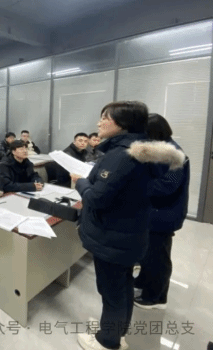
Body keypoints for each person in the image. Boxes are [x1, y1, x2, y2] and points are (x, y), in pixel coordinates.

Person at [71, 101, 185, 351]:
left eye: (105, 117)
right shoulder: (144, 152)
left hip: (111, 235)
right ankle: (116, 331)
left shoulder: (121, 156)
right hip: (128, 232)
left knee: (112, 291)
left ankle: (106, 341)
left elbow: (97, 199)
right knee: (123, 287)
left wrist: (81, 183)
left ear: (123, 123)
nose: (99, 122)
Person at [134, 114, 190, 310]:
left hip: (164, 214)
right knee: (149, 253)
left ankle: (156, 298)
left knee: (158, 257)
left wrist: (137, 183)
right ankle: (144, 281)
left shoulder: (174, 154)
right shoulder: (161, 149)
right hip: (154, 212)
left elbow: (167, 186)